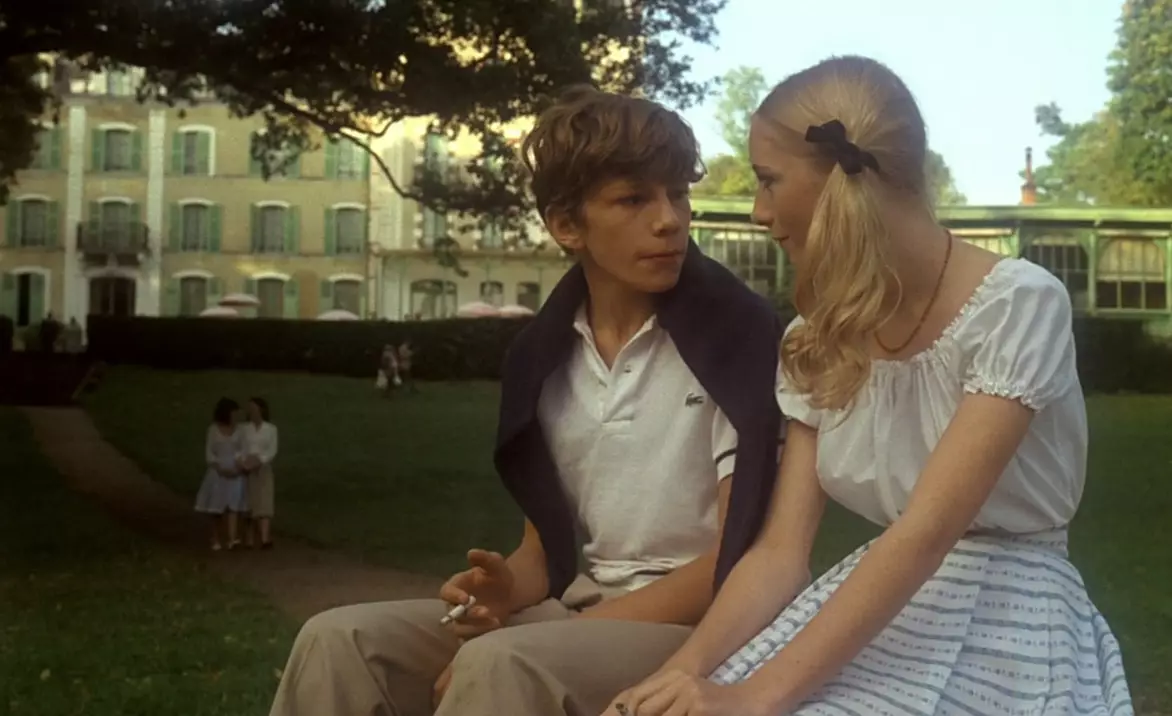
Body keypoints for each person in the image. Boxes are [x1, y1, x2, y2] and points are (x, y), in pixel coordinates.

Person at [604, 55, 1133, 716]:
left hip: (1011, 620)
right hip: (878, 608)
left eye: (769, 181)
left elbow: (926, 532)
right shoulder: (816, 339)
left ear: (838, 178)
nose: (759, 211)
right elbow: (780, 555)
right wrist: (677, 675)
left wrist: (754, 696)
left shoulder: (1016, 306)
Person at [268, 85, 784, 716]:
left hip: (701, 629)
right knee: (337, 641)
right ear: (566, 226)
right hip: (574, 612)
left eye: (677, 193)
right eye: (634, 199)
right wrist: (504, 591)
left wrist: (559, 632)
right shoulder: (542, 358)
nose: (669, 219)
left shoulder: (740, 338)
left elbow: (738, 559)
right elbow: (544, 554)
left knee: (499, 664)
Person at [193, 397, 247, 551]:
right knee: (216, 508)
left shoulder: (240, 430)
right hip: (218, 472)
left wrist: (238, 468)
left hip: (235, 471)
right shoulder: (213, 430)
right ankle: (215, 538)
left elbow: (242, 451)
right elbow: (210, 453)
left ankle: (232, 538)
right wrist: (220, 469)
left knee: (233, 506)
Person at [239, 396, 278, 549]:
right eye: (250, 408)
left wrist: (259, 461)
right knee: (249, 502)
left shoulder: (271, 429)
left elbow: (272, 450)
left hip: (263, 467)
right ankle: (249, 539)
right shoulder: (244, 428)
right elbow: (240, 448)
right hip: (247, 467)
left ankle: (264, 538)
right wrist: (245, 463)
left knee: (265, 501)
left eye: (254, 408)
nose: (252, 411)